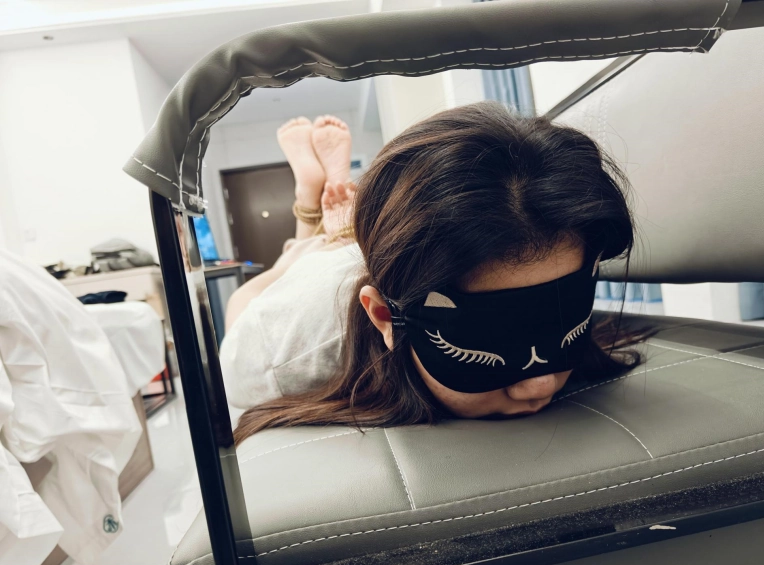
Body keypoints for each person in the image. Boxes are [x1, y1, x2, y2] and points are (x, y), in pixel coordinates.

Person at [222, 102, 646, 444]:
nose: (539, 386)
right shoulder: (277, 354)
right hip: (318, 277)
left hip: (389, 260)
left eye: (563, 315)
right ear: (383, 317)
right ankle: (311, 203)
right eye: (486, 335)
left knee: (342, 244)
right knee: (296, 259)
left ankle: (337, 219)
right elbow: (244, 305)